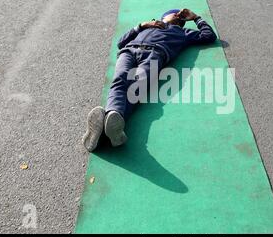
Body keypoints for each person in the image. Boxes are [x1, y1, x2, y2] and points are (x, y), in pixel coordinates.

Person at [82, 8, 217, 152]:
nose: (178, 15)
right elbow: (121, 43)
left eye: (181, 16)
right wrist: (141, 26)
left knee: (136, 89)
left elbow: (209, 36)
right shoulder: (147, 26)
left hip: (154, 54)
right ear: (164, 16)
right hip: (128, 52)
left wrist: (196, 18)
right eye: (176, 13)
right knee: (119, 82)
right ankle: (113, 127)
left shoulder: (183, 33)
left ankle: (104, 129)